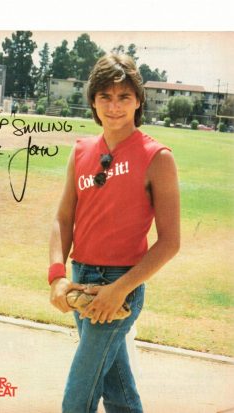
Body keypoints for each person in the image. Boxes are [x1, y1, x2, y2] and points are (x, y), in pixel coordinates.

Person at [48, 53, 180, 413]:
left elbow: (170, 242)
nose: (115, 106)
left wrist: (118, 289)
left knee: (79, 395)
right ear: (93, 101)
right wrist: (57, 277)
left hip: (121, 286)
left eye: (124, 97)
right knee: (117, 387)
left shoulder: (157, 157)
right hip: (80, 280)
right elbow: (63, 218)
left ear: (138, 101)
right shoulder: (81, 152)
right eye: (105, 96)